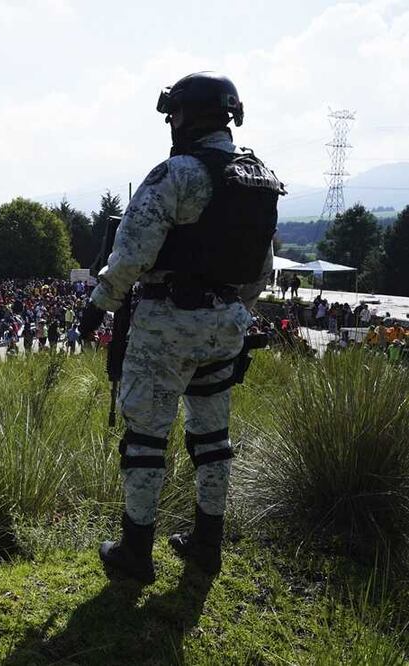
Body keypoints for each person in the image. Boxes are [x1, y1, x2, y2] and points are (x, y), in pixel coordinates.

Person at [79, 72, 281, 584]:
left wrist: (100, 303)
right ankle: (206, 545)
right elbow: (262, 266)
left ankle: (135, 551)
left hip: (166, 325)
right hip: (227, 324)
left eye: (174, 115)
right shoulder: (260, 179)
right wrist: (231, 308)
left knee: (146, 438)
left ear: (188, 116)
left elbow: (133, 253)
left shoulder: (178, 174)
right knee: (212, 437)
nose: (172, 123)